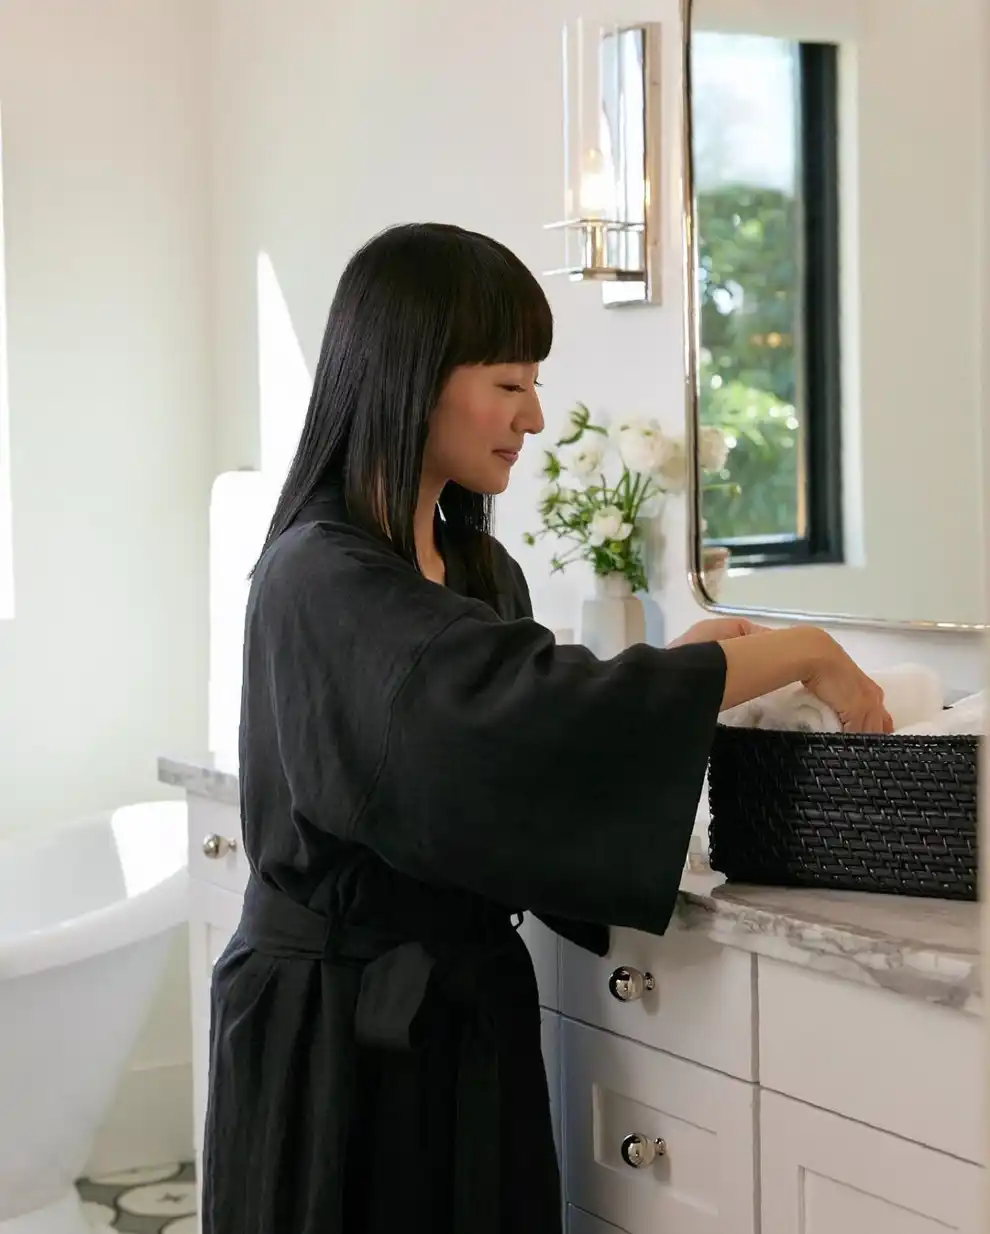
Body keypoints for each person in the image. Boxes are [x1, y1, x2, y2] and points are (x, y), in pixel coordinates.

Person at [203, 222, 890, 1234]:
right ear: (414, 375)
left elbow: (520, 742)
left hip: (467, 1020)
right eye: (510, 379)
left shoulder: (482, 574)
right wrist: (798, 652)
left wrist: (676, 670)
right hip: (335, 1042)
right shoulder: (319, 575)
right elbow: (508, 711)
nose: (534, 413)